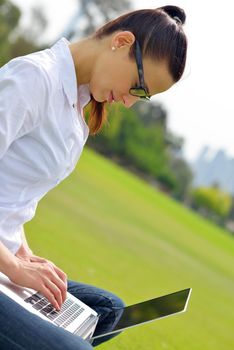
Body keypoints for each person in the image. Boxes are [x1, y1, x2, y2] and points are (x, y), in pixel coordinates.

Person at [0, 5, 188, 350]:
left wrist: (24, 252)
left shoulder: (77, 107)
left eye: (142, 97)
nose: (130, 103)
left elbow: (12, 191)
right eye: (138, 87)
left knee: (108, 310)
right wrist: (12, 265)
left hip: (7, 260)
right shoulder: (33, 79)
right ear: (121, 42)